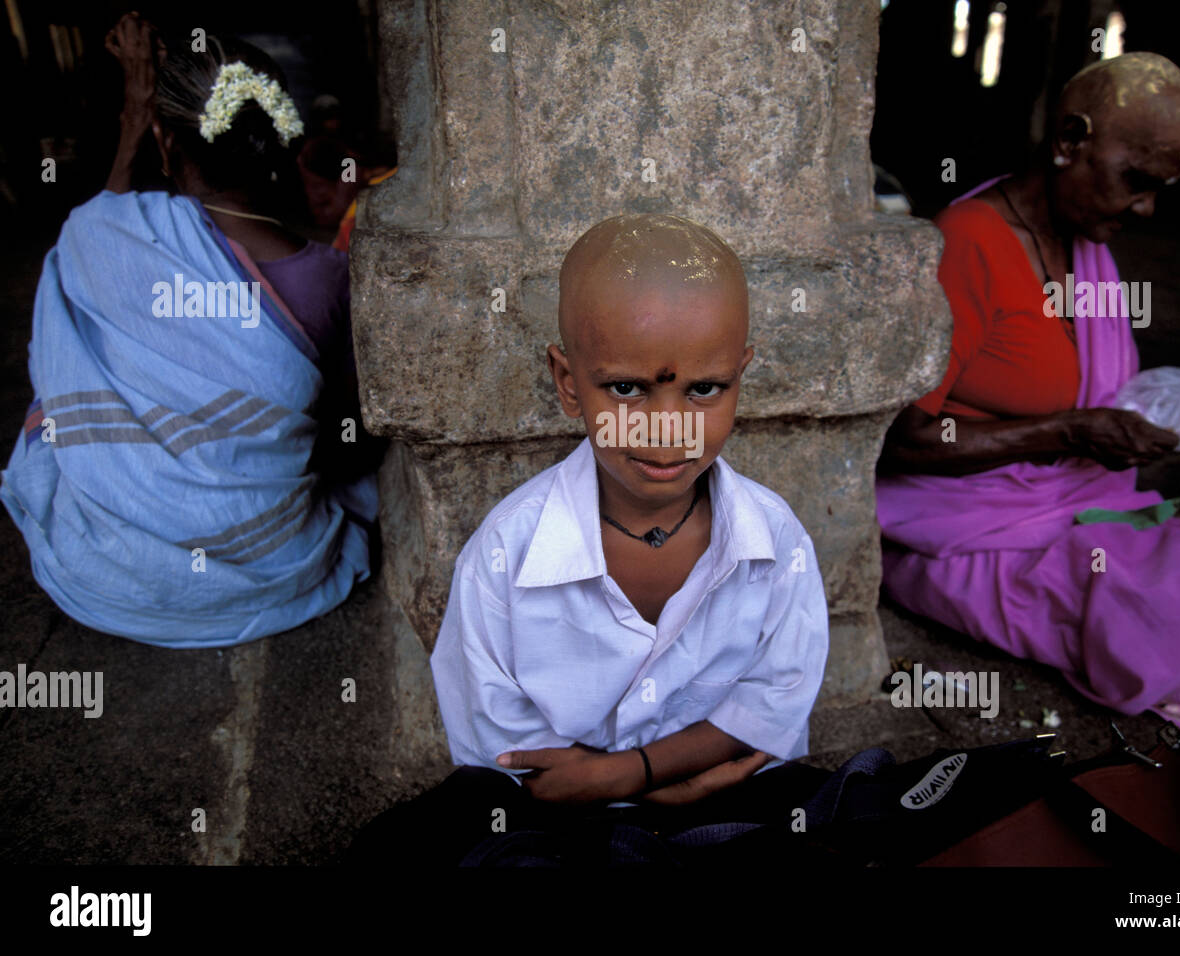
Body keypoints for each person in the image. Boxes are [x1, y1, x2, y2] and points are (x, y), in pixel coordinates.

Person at [349, 213, 830, 865]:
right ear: (568, 383)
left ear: (741, 374)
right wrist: (628, 782)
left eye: (705, 389)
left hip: (732, 803)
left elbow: (776, 701)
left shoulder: (776, 542)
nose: (668, 429)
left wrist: (632, 772)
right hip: (557, 824)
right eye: (627, 389)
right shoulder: (505, 557)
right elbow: (510, 759)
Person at [877, 53, 1180, 734]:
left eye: (1160, 188)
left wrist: (1162, 414)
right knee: (1168, 586)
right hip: (955, 537)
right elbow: (904, 439)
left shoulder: (1084, 246)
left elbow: (1086, 387)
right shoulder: (970, 243)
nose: (1146, 207)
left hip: (1065, 505)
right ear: (1070, 141)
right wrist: (1073, 433)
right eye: (1136, 180)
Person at [0, 14, 378, 647]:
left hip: (107, 580)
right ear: (279, 139)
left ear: (167, 145)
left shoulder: (109, 238)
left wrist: (135, 115)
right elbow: (342, 440)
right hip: (273, 569)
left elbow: (94, 228)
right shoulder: (330, 278)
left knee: (68, 364)